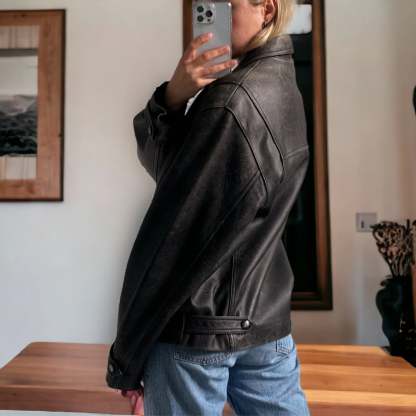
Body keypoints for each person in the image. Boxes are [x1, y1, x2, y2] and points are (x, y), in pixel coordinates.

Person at [105, 0, 310, 415]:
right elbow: (175, 175)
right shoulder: (281, 81)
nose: (213, 14)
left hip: (198, 329)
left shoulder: (230, 103)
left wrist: (127, 356)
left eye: (227, 4)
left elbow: (173, 240)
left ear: (267, 9)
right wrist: (172, 98)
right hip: (264, 319)